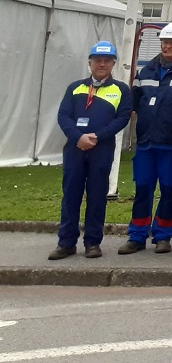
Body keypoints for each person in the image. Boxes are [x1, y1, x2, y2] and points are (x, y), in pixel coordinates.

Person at [120, 21, 172, 254]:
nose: (168, 46)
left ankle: (163, 236)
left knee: (169, 188)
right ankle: (137, 235)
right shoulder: (146, 71)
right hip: (146, 142)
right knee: (142, 187)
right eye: (165, 42)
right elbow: (133, 102)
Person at [50, 41, 132, 260]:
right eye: (97, 60)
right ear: (90, 63)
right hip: (75, 149)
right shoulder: (75, 87)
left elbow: (123, 118)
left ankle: (93, 243)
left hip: (101, 149)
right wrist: (79, 137)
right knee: (71, 196)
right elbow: (63, 116)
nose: (102, 64)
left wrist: (97, 136)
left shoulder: (121, 89)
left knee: (97, 197)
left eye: (106, 60)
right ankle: (66, 243)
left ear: (113, 63)